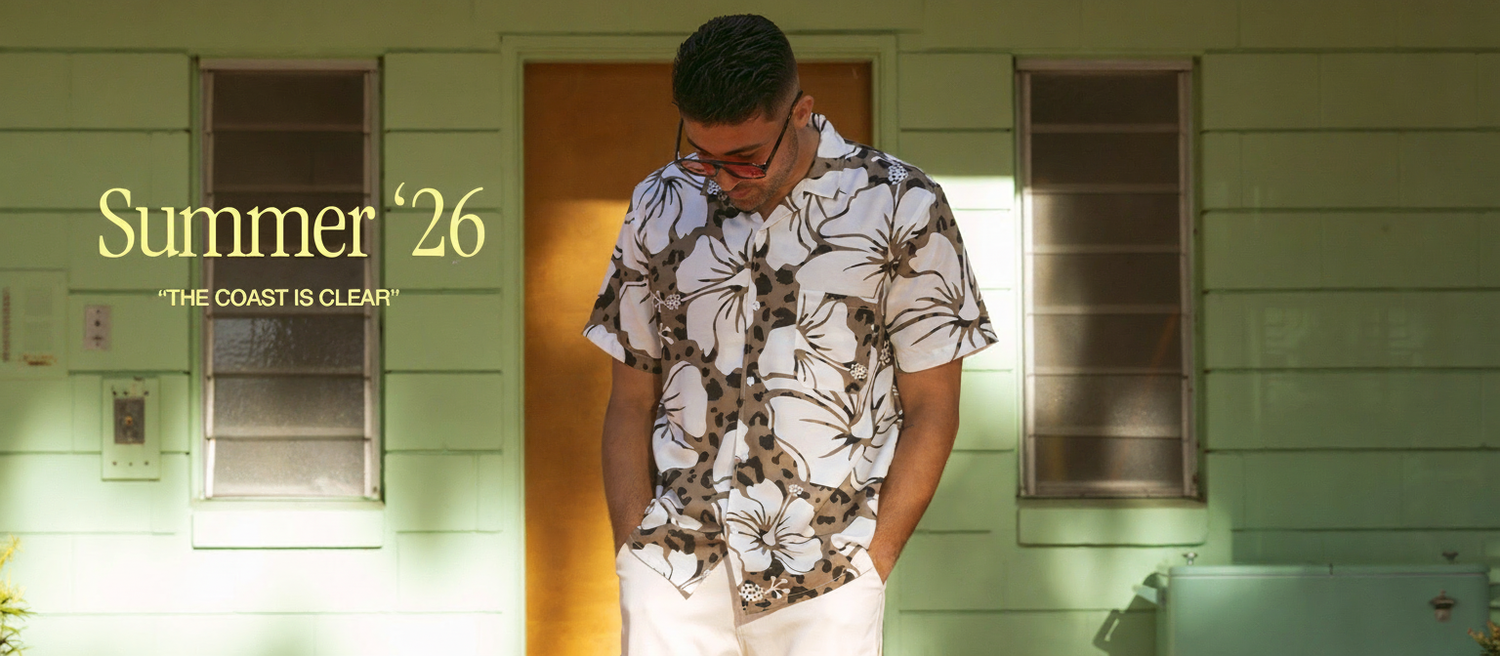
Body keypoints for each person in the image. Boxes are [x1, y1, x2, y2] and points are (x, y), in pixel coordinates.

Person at [583, 13, 998, 655]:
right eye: (701, 155)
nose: (720, 177)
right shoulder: (657, 205)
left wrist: (873, 566)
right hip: (673, 573)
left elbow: (934, 406)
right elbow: (630, 399)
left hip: (830, 578)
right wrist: (632, 551)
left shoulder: (902, 206)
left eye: (745, 159)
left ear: (800, 112)